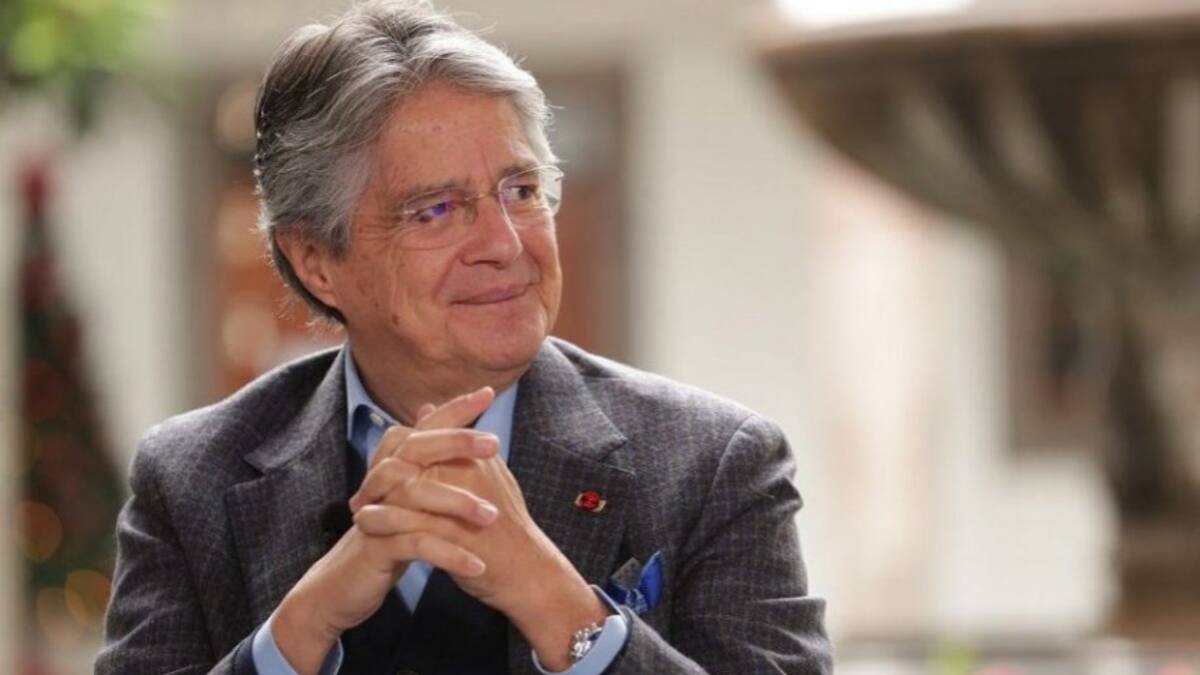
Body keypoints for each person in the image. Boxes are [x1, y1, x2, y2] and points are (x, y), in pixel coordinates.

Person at [96, 1, 832, 673]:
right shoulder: (190, 477)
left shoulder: (714, 465)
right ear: (316, 260)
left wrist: (561, 608)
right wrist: (302, 628)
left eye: (521, 191)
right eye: (436, 210)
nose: (505, 244)